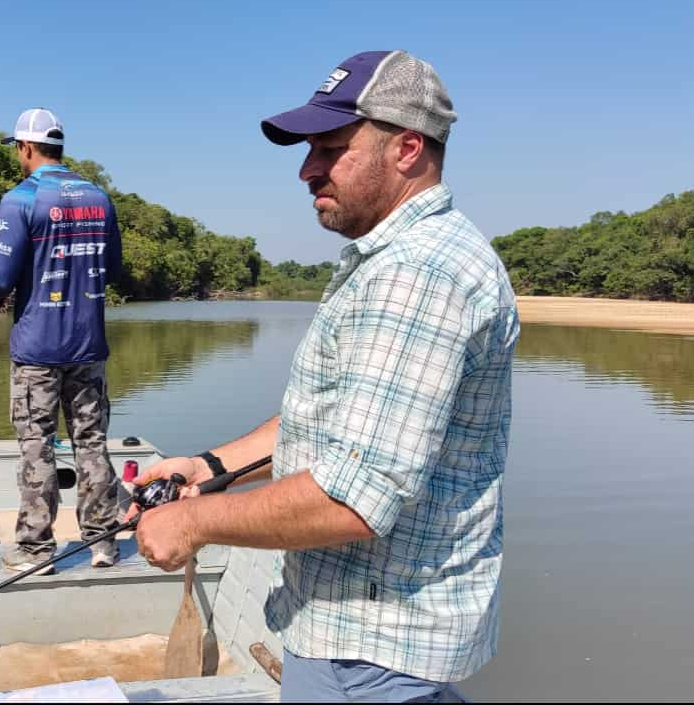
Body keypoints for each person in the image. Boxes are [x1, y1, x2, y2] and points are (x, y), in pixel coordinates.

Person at [130, 51, 520, 702]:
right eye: (309, 148)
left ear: (407, 148)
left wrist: (196, 524)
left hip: (369, 653)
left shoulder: (416, 274)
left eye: (331, 147)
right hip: (360, 641)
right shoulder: (389, 260)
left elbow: (354, 495)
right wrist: (208, 465)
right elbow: (339, 424)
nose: (308, 168)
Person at [0, 108, 124, 574]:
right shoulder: (99, 198)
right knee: (92, 442)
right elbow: (115, 268)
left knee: (37, 447)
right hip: (88, 346)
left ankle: (36, 550)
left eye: (17, 150)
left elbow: (1, 277)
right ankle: (103, 542)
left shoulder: (20, 199)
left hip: (37, 350)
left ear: (25, 147)